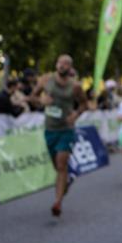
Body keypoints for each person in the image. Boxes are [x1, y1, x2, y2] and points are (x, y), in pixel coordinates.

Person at [30, 54, 87, 217]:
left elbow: (84, 104)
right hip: (50, 130)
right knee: (58, 167)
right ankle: (65, 182)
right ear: (56, 65)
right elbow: (32, 97)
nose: (62, 66)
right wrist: (41, 101)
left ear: (70, 67)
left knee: (62, 164)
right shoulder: (46, 79)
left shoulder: (75, 86)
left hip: (66, 130)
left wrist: (75, 115)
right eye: (59, 63)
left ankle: (57, 203)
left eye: (65, 64)